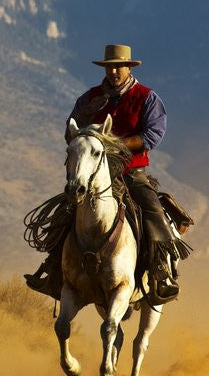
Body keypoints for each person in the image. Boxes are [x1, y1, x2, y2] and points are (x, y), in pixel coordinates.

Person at [25, 43, 185, 302]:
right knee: (64, 214)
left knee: (152, 211)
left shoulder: (147, 98)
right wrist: (80, 133)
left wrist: (117, 145)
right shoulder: (89, 98)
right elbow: (71, 130)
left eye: (119, 67)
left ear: (128, 68)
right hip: (92, 172)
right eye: (110, 67)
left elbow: (153, 134)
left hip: (130, 171)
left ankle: (161, 271)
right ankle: (52, 270)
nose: (114, 72)